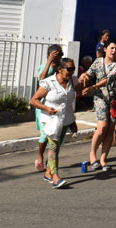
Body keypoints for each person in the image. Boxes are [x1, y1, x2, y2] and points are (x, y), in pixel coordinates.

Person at [30, 58, 84, 188]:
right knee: (53, 148)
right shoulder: (49, 82)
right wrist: (47, 109)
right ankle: (55, 178)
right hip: (51, 120)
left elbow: (72, 99)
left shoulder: (72, 81)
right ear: (60, 69)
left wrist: (73, 121)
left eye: (73, 69)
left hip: (65, 120)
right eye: (69, 69)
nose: (72, 72)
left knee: (57, 147)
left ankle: (48, 173)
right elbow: (34, 100)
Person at [79, 37, 116, 171]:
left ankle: (104, 159)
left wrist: (93, 87)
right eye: (111, 48)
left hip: (115, 99)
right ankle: (93, 155)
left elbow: (109, 78)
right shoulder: (98, 62)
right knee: (102, 127)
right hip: (100, 98)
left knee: (111, 129)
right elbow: (89, 73)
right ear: (105, 49)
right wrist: (84, 77)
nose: (114, 51)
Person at [34, 44, 63, 171]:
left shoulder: (61, 68)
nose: (57, 57)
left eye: (59, 54)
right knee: (45, 134)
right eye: (54, 54)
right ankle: (39, 156)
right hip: (43, 105)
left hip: (56, 105)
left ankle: (50, 159)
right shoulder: (44, 67)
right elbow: (42, 79)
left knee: (56, 134)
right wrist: (49, 62)